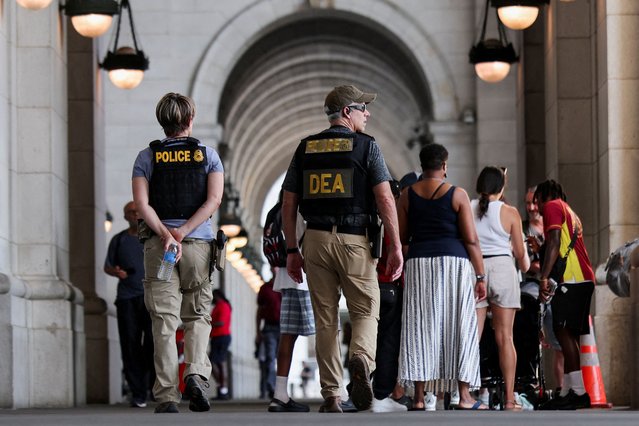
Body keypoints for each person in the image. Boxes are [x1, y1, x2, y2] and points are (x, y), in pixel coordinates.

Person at [281, 84, 403, 413]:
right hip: (355, 240)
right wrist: (396, 246)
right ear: (347, 112)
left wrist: (292, 249)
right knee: (365, 309)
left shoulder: (306, 148)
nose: (368, 113)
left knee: (326, 319)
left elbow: (288, 202)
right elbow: (384, 197)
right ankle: (361, 359)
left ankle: (332, 395)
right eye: (363, 107)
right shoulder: (366, 147)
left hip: (316, 241)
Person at [132, 92, 224, 413]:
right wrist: (183, 232)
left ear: (163, 121)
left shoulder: (147, 157)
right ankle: (196, 373)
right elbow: (212, 202)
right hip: (197, 245)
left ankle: (168, 394)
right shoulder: (207, 155)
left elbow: (142, 206)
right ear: (189, 120)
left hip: (160, 247)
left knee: (164, 320)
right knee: (198, 314)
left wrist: (166, 235)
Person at [397, 143, 487, 410]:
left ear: (422, 165)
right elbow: (471, 240)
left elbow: (402, 238)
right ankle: (464, 395)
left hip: (419, 263)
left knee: (420, 327)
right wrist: (480, 276)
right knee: (459, 324)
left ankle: (419, 397)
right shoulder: (457, 195)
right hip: (454, 264)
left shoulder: (406, 195)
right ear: (444, 166)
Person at [471, 166, 530, 411]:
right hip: (504, 270)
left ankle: (463, 393)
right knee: (505, 338)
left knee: (471, 337)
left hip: (476, 271)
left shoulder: (470, 207)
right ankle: (509, 399)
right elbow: (520, 255)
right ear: (502, 188)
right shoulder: (510, 212)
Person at [535, 180, 594, 410]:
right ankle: (569, 390)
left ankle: (578, 392)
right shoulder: (567, 209)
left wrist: (544, 277)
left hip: (573, 278)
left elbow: (555, 242)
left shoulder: (552, 206)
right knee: (566, 332)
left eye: (536, 201)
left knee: (563, 332)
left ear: (543, 196)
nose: (537, 207)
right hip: (580, 278)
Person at [264, 201, 316, 413]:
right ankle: (336, 392)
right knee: (326, 331)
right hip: (306, 276)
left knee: (287, 334)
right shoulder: (302, 207)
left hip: (286, 277)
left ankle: (280, 394)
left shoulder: (277, 209)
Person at [104, 201, 154, 408]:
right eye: (130, 212)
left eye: (137, 211)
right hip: (126, 299)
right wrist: (116, 272)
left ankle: (151, 385)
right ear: (125, 216)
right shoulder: (119, 239)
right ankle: (138, 392)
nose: (135, 215)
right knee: (130, 344)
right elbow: (107, 266)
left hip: (150, 297)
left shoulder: (154, 237)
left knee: (152, 344)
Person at [521, 187, 564, 393]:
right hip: (532, 285)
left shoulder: (553, 227)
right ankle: (530, 383)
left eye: (534, 203)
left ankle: (562, 389)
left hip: (554, 286)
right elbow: (527, 265)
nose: (531, 208)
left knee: (559, 341)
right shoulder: (522, 229)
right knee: (529, 324)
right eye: (527, 203)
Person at [371, 179, 408, 413]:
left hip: (369, 287)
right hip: (390, 287)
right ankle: (380, 394)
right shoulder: (391, 223)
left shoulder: (369, 220)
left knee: (368, 341)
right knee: (388, 342)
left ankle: (358, 386)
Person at [256, 276, 282, 401]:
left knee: (283, 358)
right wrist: (257, 331)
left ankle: (281, 388)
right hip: (269, 327)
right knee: (270, 358)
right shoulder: (265, 289)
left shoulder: (286, 285)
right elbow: (259, 310)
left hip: (285, 327)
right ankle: (271, 387)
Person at [209, 289, 232, 400]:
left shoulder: (223, 305)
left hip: (221, 336)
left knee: (219, 363)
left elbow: (221, 322)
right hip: (217, 336)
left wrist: (207, 323)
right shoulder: (219, 305)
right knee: (215, 362)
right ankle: (221, 387)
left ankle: (223, 388)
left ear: (217, 295)